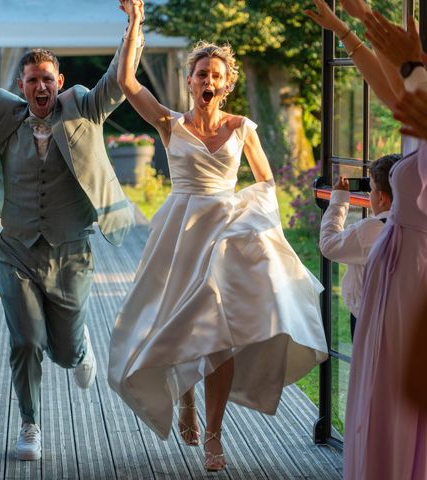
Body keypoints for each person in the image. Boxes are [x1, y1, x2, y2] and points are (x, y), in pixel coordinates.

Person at [108, 0, 328, 472]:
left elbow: (266, 182)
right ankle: (183, 398)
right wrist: (135, 22)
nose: (208, 81)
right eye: (201, 73)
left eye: (215, 75)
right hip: (180, 233)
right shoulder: (170, 124)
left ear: (226, 84)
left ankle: (214, 435)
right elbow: (128, 84)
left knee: (221, 336)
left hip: (225, 236)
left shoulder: (242, 128)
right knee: (181, 325)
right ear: (189, 81)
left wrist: (249, 220)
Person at [0, 0, 142, 461]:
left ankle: (79, 347)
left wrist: (134, 23)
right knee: (26, 341)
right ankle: (30, 423)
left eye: (47, 79)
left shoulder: (82, 108)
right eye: (31, 79)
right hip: (15, 249)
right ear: (21, 84)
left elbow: (117, 78)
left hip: (71, 250)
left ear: (58, 81)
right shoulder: (3, 111)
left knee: (65, 351)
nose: (40, 86)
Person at [332, 9, 427, 479]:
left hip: (415, 272)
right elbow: (394, 91)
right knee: (382, 387)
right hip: (399, 263)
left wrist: (411, 63)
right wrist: (351, 23)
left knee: (399, 391)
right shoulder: (421, 111)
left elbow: (405, 84)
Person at [319, 154, 401, 340]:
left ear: (381, 198)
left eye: (370, 189)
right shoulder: (415, 225)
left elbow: (328, 244)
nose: (368, 194)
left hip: (369, 319)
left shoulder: (372, 229)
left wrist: (339, 200)